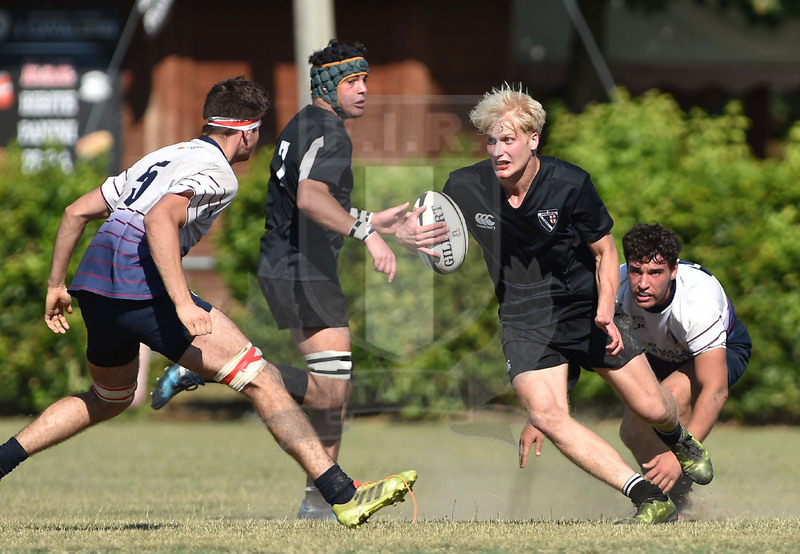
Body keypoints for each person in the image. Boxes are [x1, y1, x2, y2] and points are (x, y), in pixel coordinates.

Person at [0, 76, 416, 529]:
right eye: (258, 132)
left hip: (96, 283)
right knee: (259, 377)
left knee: (108, 397)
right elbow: (160, 219)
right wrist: (182, 304)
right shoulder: (219, 173)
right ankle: (342, 494)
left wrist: (55, 285)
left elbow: (75, 212)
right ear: (247, 132)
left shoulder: (165, 155)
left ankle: (3, 459)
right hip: (144, 283)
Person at [396, 84, 712, 524]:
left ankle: (679, 438)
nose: (498, 150)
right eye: (491, 140)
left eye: (508, 140)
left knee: (653, 408)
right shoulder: (464, 187)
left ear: (532, 139)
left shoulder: (570, 184)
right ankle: (646, 497)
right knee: (547, 415)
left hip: (586, 310)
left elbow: (605, 253)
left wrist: (606, 308)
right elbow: (428, 230)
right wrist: (407, 237)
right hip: (524, 319)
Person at [149, 41, 412, 519]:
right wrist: (366, 233)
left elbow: (303, 204)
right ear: (330, 86)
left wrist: (371, 218)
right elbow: (312, 200)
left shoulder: (301, 124)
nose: (364, 90)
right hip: (301, 269)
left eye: (365, 80)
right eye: (353, 82)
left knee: (332, 393)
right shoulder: (331, 132)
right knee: (332, 392)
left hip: (287, 264)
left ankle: (317, 501)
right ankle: (213, 369)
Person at [617, 222, 751, 517]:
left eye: (655, 273)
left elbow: (715, 389)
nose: (642, 283)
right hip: (659, 353)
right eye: (636, 270)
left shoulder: (696, 304)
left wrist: (681, 458)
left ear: (673, 270)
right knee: (632, 430)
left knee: (670, 398)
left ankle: (675, 492)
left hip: (720, 352)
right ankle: (676, 501)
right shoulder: (616, 286)